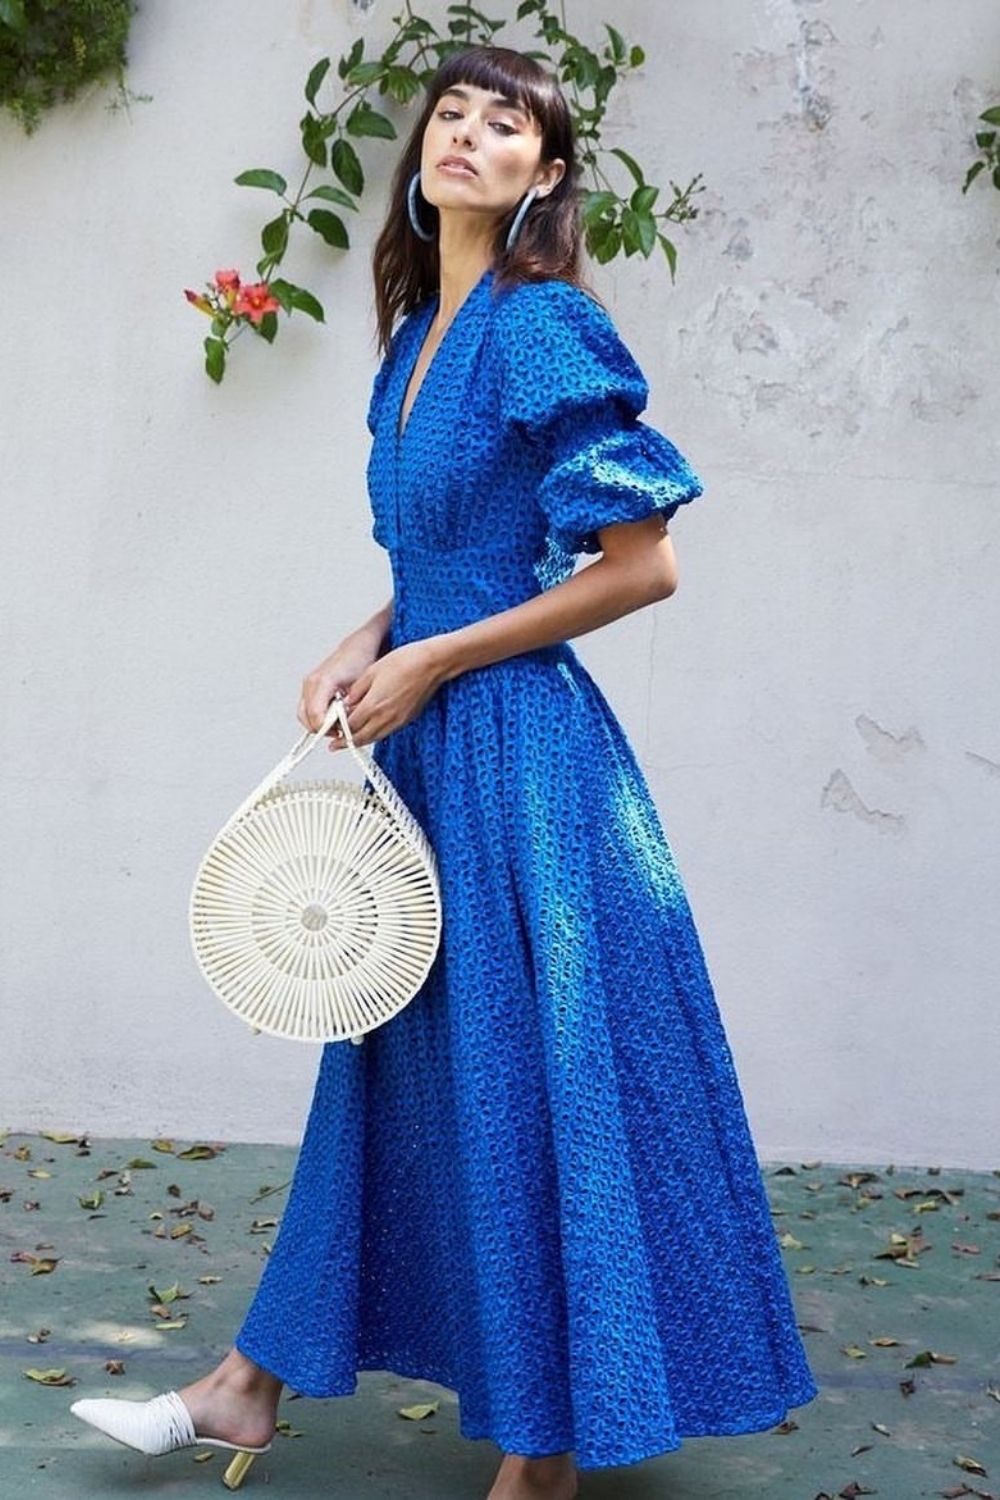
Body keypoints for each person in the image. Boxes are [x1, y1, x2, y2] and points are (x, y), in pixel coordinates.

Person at [70, 42, 819, 1499]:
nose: (469, 135)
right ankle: (246, 1385)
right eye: (454, 115)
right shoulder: (418, 341)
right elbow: (439, 563)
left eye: (508, 124)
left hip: (526, 767)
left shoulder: (542, 327)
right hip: (430, 746)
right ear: (423, 156)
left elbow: (642, 567)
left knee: (532, 1081)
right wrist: (370, 641)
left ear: (545, 176)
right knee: (396, 1066)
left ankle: (536, 1460)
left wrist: (433, 660)